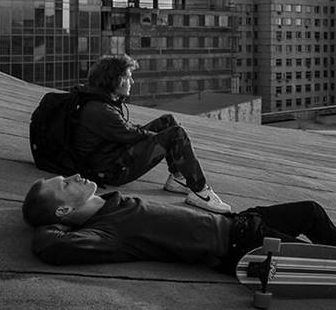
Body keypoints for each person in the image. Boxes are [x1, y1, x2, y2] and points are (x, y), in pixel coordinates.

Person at [21, 174, 336, 290]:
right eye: (65, 184)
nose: (74, 176)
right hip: (234, 247)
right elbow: (52, 247)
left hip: (240, 222)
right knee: (312, 257)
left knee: (311, 212)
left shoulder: (112, 202)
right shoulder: (105, 232)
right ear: (63, 208)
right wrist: (50, 223)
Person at [73, 54, 230, 213]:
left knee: (167, 121)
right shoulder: (100, 110)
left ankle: (178, 178)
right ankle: (200, 191)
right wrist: (164, 139)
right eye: (128, 77)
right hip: (111, 171)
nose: (132, 82)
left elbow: (125, 130)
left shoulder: (102, 100)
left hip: (112, 155)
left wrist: (159, 134)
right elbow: (131, 134)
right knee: (175, 134)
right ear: (114, 80)